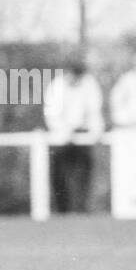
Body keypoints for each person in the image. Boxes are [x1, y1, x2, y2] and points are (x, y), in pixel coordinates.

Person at [43, 60, 104, 214]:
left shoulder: (89, 84)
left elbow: (94, 112)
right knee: (60, 175)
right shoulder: (57, 85)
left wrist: (96, 130)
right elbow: (52, 115)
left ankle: (81, 208)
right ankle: (63, 210)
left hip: (83, 135)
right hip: (61, 136)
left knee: (83, 173)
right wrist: (65, 130)